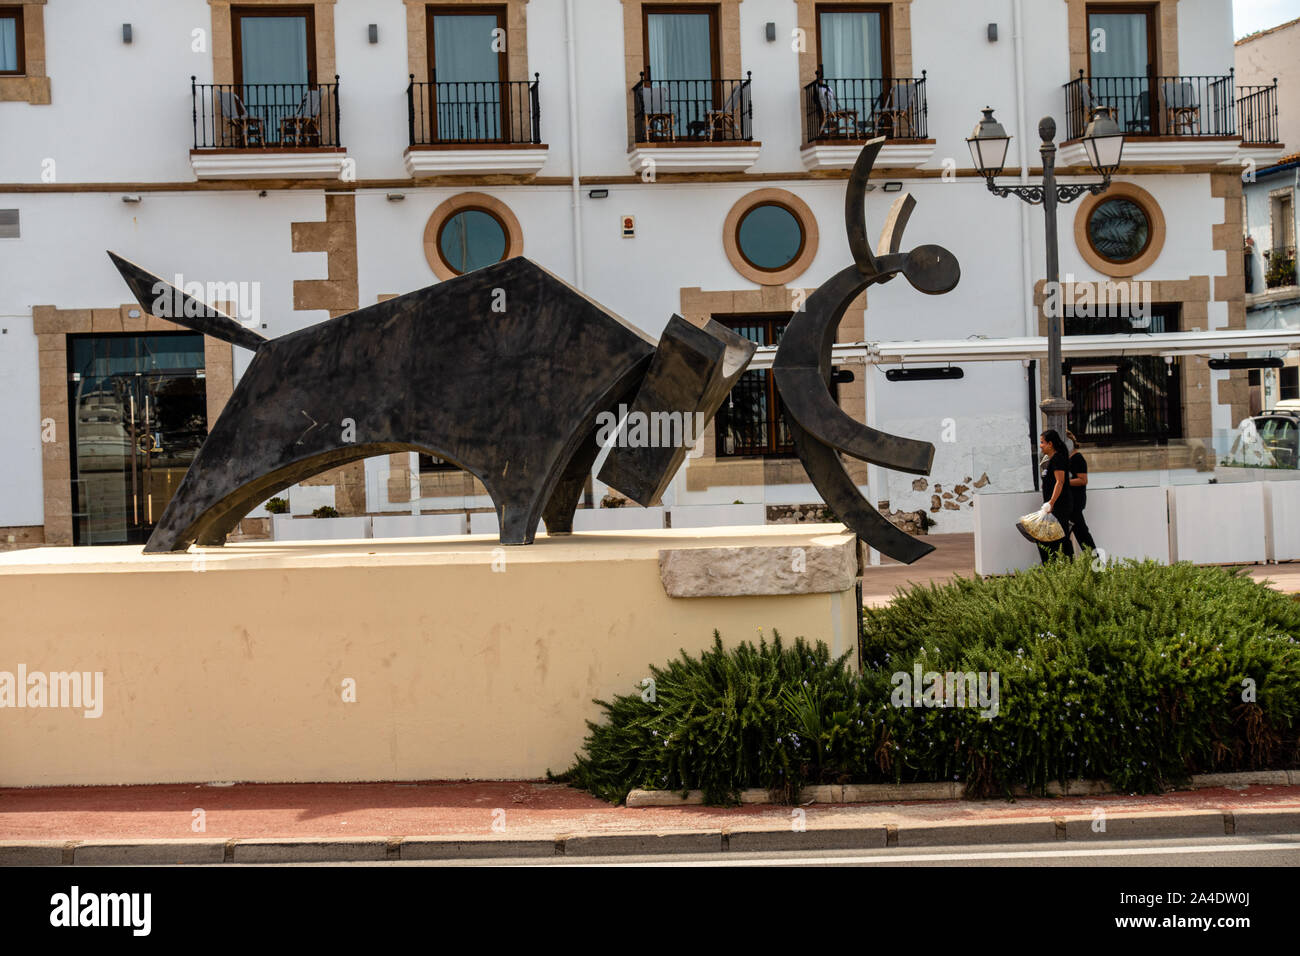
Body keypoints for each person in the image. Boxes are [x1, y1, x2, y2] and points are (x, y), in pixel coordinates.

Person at [1037, 429, 1074, 563]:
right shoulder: (1051, 459)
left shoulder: (1058, 458)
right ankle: (1053, 564)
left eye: (1042, 442)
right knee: (1052, 536)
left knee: (1060, 536)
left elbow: (1060, 481)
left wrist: (1051, 502)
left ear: (1050, 444)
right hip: (1052, 506)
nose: (1040, 445)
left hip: (1059, 506)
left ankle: (1065, 564)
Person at [1065, 430, 1097, 553]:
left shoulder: (1077, 459)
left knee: (1082, 535)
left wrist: (1065, 482)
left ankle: (1096, 563)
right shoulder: (1067, 459)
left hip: (1075, 502)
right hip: (1069, 503)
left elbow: (1083, 480)